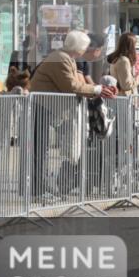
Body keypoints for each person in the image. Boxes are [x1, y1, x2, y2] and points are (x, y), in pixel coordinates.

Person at [30, 30, 116, 197]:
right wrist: (97, 89)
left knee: (42, 150)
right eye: (84, 47)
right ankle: (37, 190)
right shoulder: (62, 59)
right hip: (42, 106)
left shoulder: (65, 58)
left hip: (45, 106)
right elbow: (72, 86)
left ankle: (40, 188)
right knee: (39, 151)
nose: (85, 50)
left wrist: (97, 89)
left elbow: (75, 84)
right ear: (79, 48)